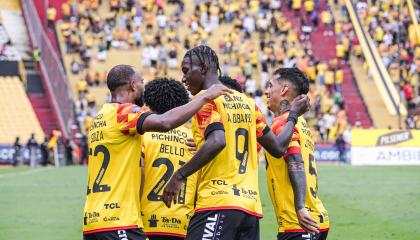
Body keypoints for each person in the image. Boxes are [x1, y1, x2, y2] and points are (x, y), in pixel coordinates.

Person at [162, 46, 310, 240]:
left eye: (186, 70)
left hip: (218, 202)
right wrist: (293, 115)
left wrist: (179, 176)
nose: (184, 78)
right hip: (249, 210)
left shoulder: (206, 99)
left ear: (204, 67)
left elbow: (217, 141)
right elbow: (277, 148)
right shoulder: (248, 103)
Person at [82, 64, 231, 240]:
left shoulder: (100, 117)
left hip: (93, 220)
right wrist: (205, 96)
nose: (143, 88)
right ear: (132, 85)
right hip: (119, 221)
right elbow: (164, 122)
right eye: (141, 82)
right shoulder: (124, 113)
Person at [264, 68, 329, 240]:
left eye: (270, 86)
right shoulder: (301, 123)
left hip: (298, 223)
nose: (266, 91)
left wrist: (300, 207)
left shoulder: (283, 122)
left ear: (284, 90)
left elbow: (295, 161)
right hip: (317, 219)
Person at [141, 78, 197, 240]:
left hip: (147, 223)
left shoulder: (143, 136)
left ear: (149, 104)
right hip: (184, 225)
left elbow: (139, 176)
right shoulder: (195, 141)